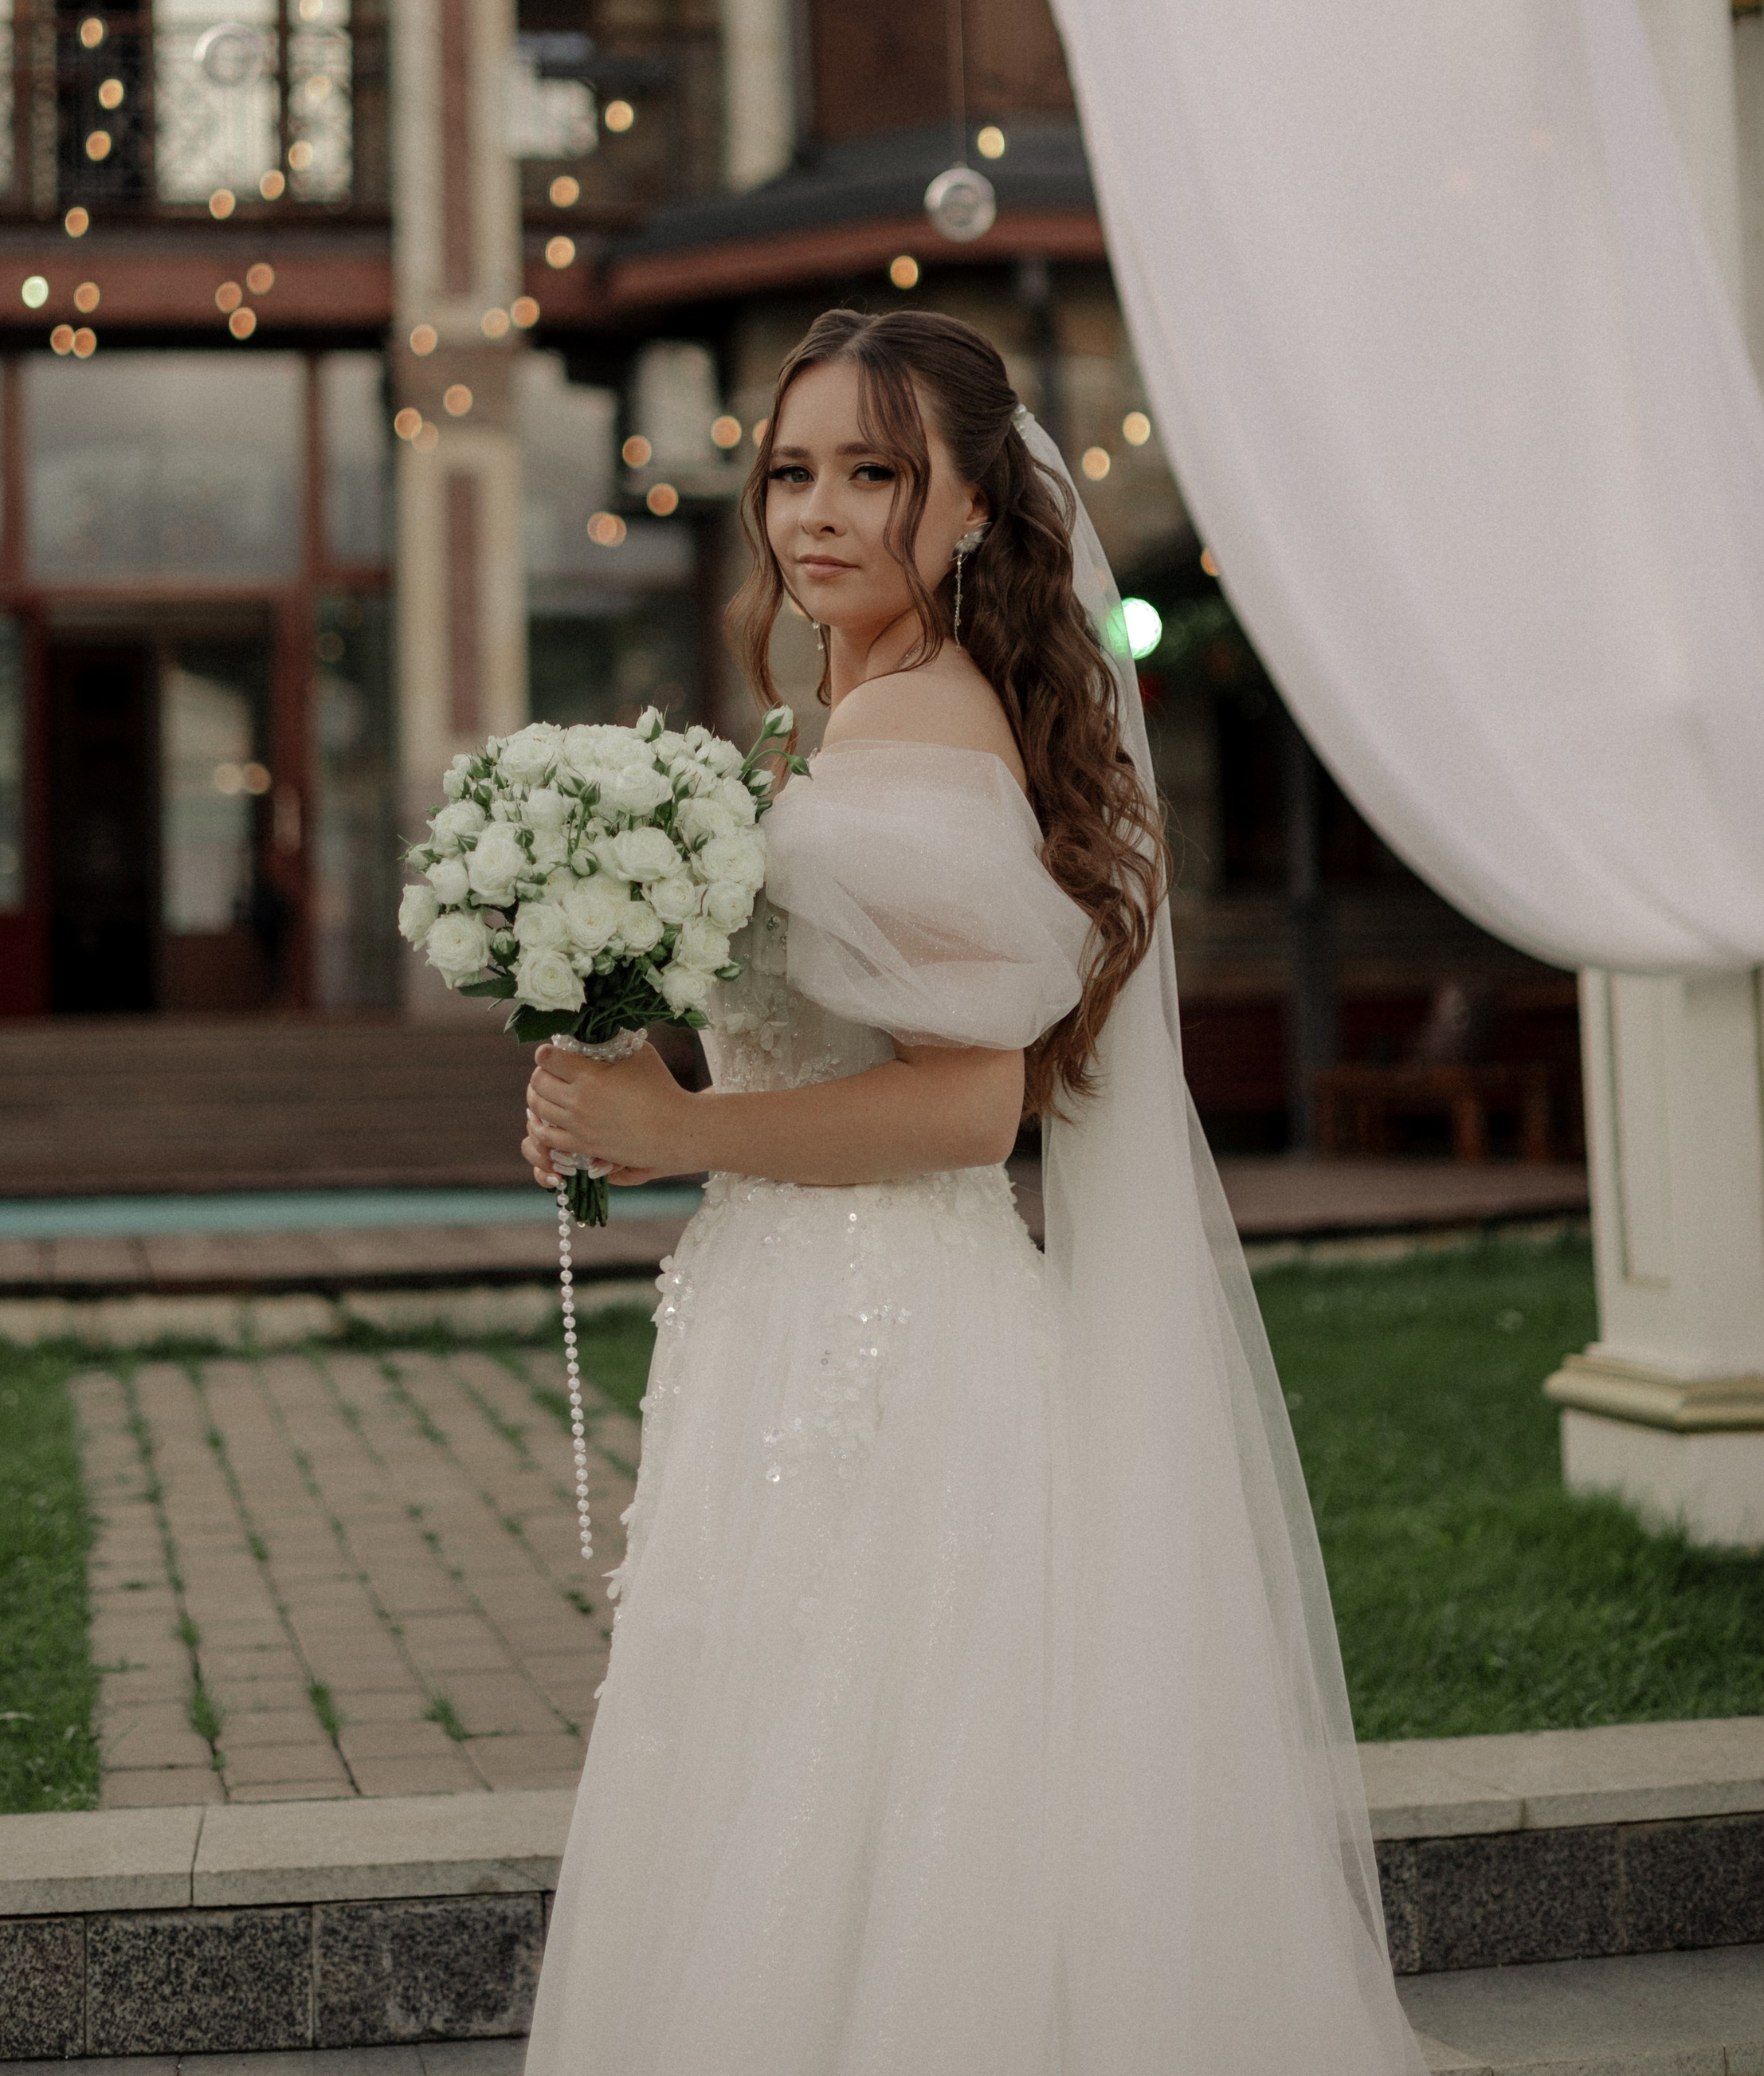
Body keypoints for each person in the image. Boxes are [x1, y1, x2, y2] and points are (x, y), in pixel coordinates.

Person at [520, 308, 1420, 2076]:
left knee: (862, 1759)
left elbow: (962, 1102)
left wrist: (685, 1134)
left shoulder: (921, 727)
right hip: (797, 1303)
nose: (818, 513)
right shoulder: (843, 713)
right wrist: (617, 1084)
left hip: (885, 1334)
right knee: (803, 1747)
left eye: (875, 472)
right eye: (791, 471)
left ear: (968, 510)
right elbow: (820, 1049)